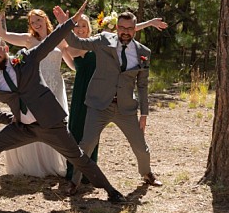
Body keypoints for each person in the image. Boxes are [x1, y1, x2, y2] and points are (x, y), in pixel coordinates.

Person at [0, 1, 129, 204]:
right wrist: (12, 119)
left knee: (79, 157)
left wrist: (70, 22)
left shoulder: (27, 59)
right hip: (23, 128)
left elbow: (51, 40)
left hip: (50, 124)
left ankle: (110, 190)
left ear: (6, 48)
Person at [61, 14, 168, 184]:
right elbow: (76, 42)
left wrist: (144, 114)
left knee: (141, 148)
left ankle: (147, 173)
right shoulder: (104, 40)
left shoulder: (143, 52)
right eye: (122, 28)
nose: (126, 32)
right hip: (100, 105)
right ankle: (75, 181)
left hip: (126, 108)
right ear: (117, 28)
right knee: (86, 144)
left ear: (135, 29)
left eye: (130, 28)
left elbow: (142, 86)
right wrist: (64, 23)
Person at [0, 9, 67, 178]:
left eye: (38, 20)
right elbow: (3, 34)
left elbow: (73, 53)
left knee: (54, 124)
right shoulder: (29, 40)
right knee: (34, 122)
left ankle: (52, 162)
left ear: (45, 19)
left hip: (55, 87)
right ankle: (33, 164)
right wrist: (1, 13)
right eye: (32, 22)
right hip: (36, 86)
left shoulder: (59, 37)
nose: (36, 24)